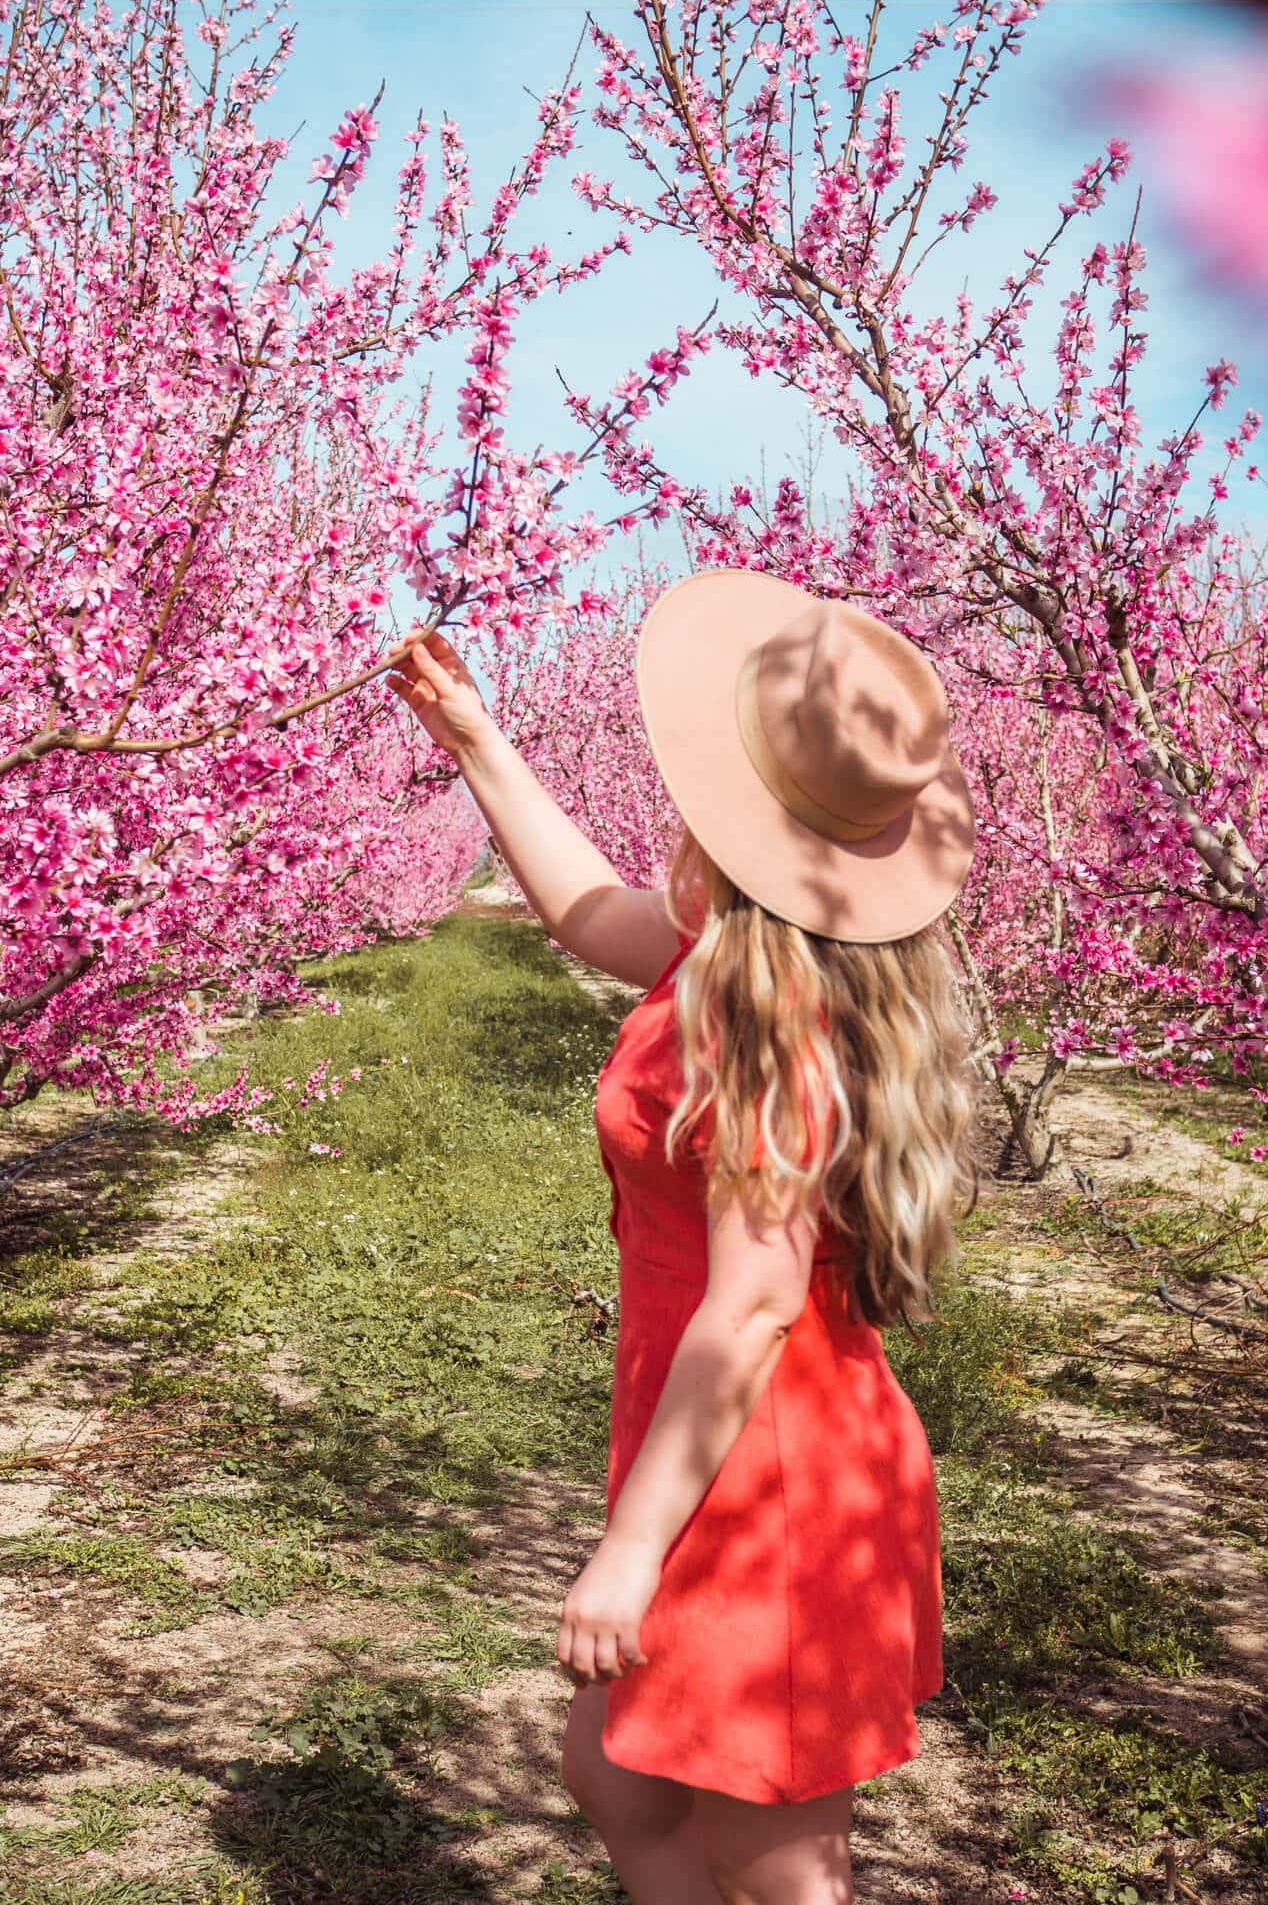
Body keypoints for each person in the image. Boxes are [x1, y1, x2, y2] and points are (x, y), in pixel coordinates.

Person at [387, 568, 977, 1905]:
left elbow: (753, 1309)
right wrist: (478, 742)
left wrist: (631, 1551)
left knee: (772, 1853)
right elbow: (588, 913)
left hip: (773, 1473)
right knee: (620, 1775)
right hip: (724, 1431)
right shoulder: (731, 955)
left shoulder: (770, 1036)